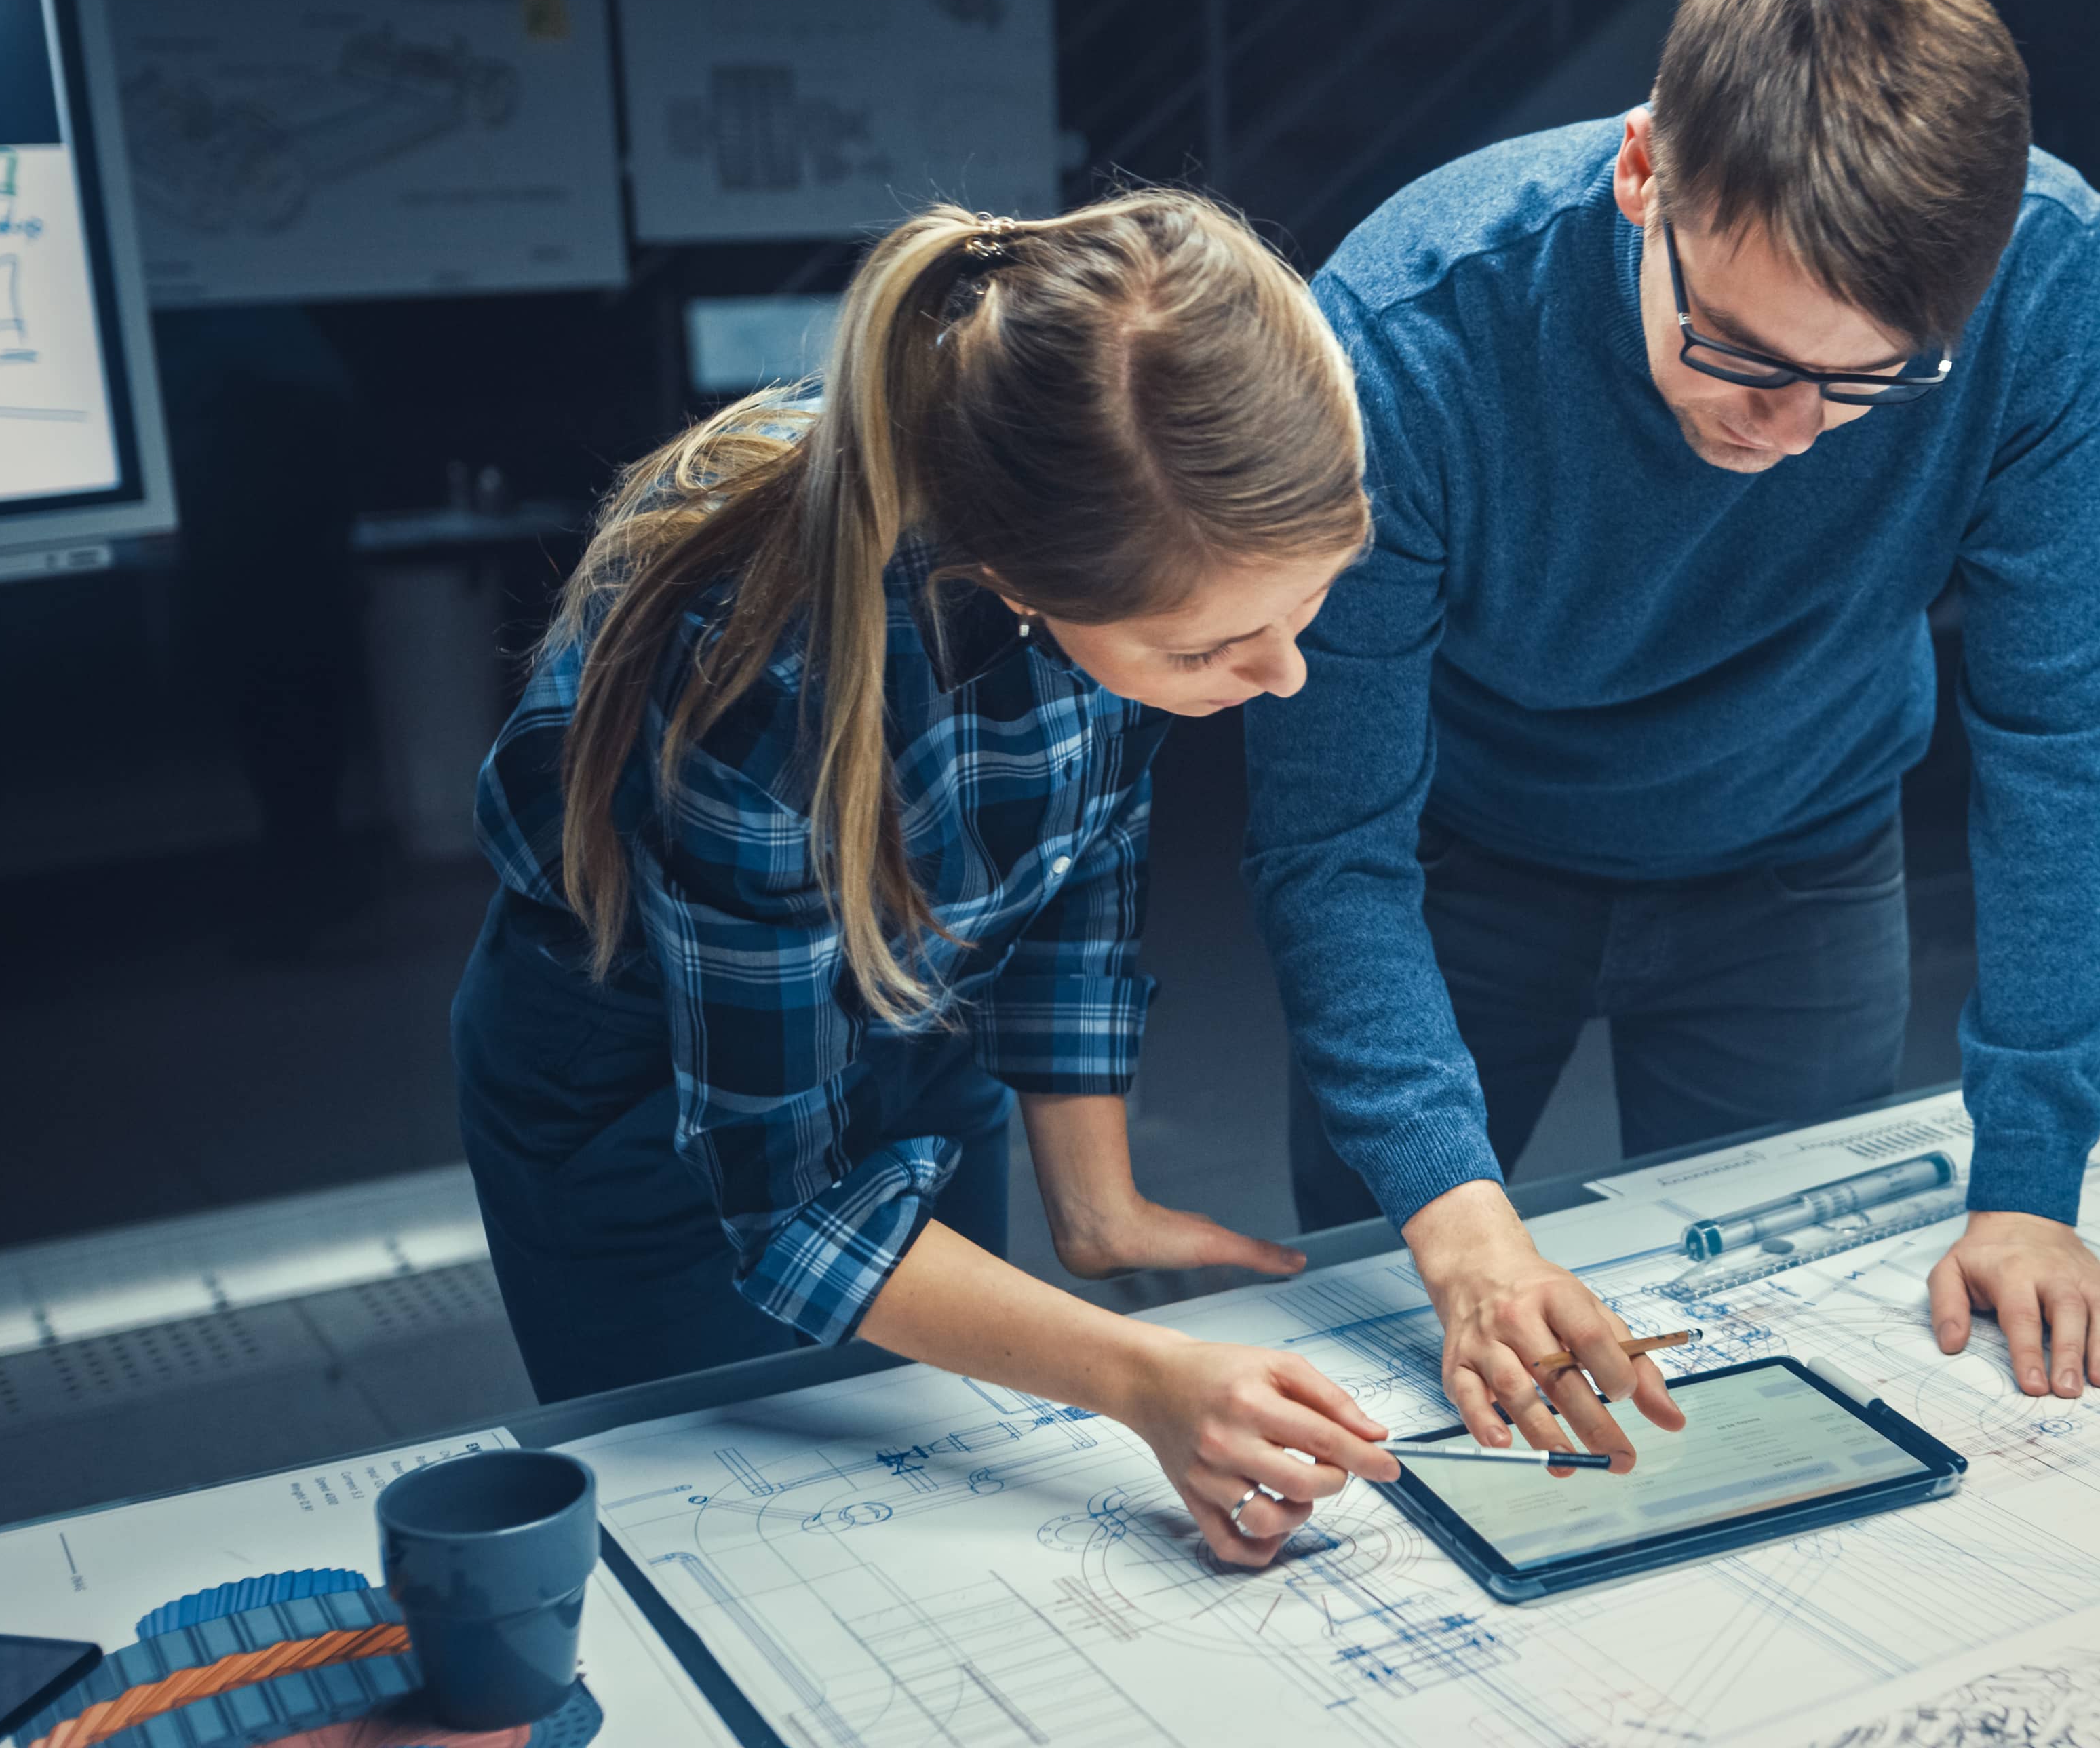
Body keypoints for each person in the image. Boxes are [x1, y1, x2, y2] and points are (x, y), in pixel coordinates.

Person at [1247, 0, 2100, 1465]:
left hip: (1798, 854)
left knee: (1767, 1355)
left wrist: (2027, 1183)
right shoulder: (1409, 333)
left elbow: (2063, 738)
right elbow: (1329, 836)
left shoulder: (2044, 272)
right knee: (1400, 1356)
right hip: (1463, 865)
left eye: (1867, 378)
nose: (1794, 429)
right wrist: (1465, 1241)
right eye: (1736, 349)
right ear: (1641, 175)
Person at [454, 193, 1399, 1564]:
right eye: (1208, 653)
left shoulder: (1144, 526)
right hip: (645, 1091)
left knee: (943, 1486)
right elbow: (788, 1207)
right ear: (1013, 576)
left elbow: (1079, 843)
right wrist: (1141, 1377)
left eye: (1302, 610)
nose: (1280, 676)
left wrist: (1094, 1202)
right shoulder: (761, 671)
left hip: (915, 993)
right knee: (755, 1546)